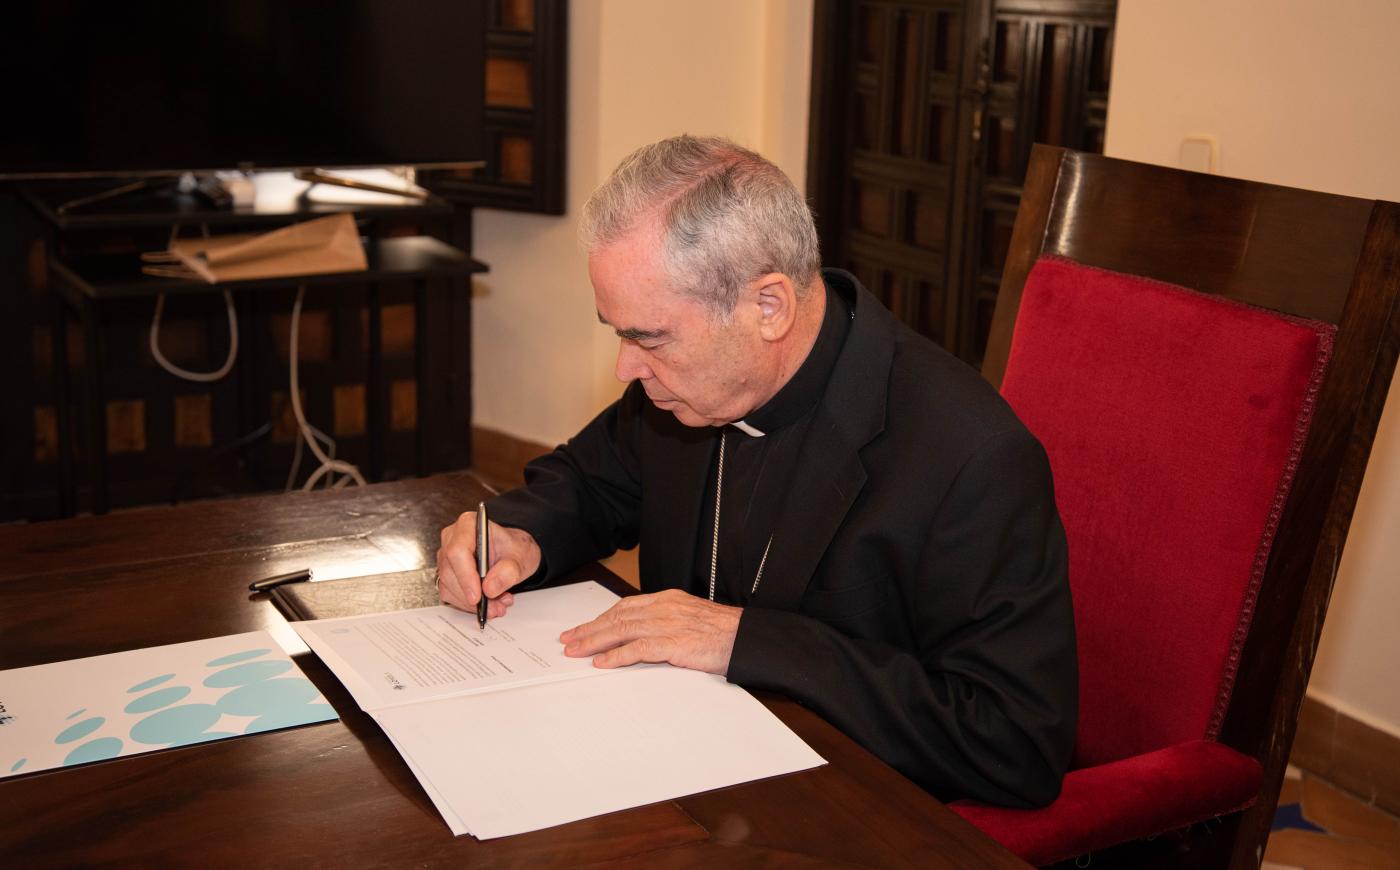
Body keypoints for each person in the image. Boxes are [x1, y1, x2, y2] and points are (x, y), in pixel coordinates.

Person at [436, 135, 1077, 808]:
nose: (626, 367)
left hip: (846, 815)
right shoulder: (687, 387)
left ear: (767, 307)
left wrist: (749, 640)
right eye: (618, 332)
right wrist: (515, 533)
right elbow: (589, 482)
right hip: (674, 769)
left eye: (648, 338)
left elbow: (1013, 743)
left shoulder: (966, 456)